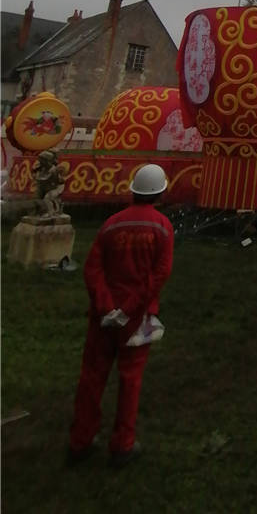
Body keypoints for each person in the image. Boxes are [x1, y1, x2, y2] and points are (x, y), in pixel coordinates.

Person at [67, 163, 174, 468]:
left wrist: (106, 307)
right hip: (136, 318)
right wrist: (127, 310)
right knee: (130, 381)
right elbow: (159, 275)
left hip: (103, 318)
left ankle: (80, 441)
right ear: (161, 192)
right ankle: (122, 446)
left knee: (91, 378)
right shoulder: (162, 227)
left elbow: (92, 269)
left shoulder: (111, 224)